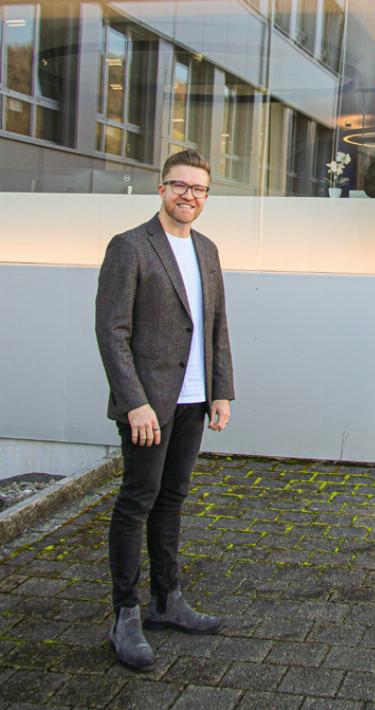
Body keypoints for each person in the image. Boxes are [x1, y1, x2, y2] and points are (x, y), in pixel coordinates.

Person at [96, 149, 235, 671]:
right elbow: (112, 332)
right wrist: (134, 402)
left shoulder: (208, 250)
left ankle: (166, 600)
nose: (189, 196)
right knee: (137, 500)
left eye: (199, 189)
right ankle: (125, 614)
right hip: (147, 406)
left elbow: (216, 324)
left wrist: (221, 390)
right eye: (180, 185)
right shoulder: (130, 247)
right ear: (161, 188)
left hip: (194, 399)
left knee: (172, 499)